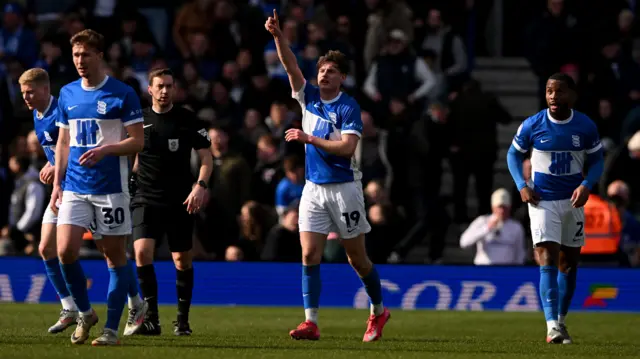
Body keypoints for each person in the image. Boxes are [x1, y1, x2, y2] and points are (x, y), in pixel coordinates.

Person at [265, 10, 390, 342]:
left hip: (345, 189)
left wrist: (309, 139)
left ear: (342, 78)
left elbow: (347, 149)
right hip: (313, 189)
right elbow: (291, 65)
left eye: (331, 71)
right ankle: (311, 322)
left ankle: (378, 310)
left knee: (357, 259)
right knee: (308, 254)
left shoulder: (348, 107)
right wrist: (278, 37)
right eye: (321, 70)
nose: (323, 75)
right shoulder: (307, 99)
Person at [50, 29, 148, 346]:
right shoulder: (67, 93)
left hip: (111, 188)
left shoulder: (122, 93)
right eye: (76, 55)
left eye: (86, 55)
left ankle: (111, 329)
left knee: (114, 258)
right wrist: (57, 185)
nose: (80, 61)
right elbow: (64, 141)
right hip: (76, 187)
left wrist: (106, 149)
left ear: (99, 56)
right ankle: (85, 313)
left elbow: (138, 140)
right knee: (64, 251)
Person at [506, 73, 604, 344]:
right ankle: (551, 326)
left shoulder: (584, 126)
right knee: (547, 257)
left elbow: (597, 161)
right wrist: (521, 184)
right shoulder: (533, 124)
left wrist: (586, 184)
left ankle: (561, 321)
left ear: (572, 95)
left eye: (559, 91)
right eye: (549, 91)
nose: (553, 96)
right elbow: (513, 154)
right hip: (542, 201)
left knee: (569, 265)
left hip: (573, 202)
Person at [128, 68, 212, 336]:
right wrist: (131, 176)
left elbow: (207, 158)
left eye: (169, 86)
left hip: (180, 199)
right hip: (145, 196)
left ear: (174, 89)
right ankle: (151, 319)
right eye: (159, 86)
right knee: (141, 253)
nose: (164, 91)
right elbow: (135, 154)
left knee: (182, 261)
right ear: (150, 90)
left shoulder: (187, 119)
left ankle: (182, 319)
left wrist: (199, 186)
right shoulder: (138, 119)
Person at [19, 68, 80, 333]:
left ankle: (134, 300)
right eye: (23, 93)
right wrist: (50, 162)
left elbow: (79, 146)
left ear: (45, 89)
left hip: (82, 189)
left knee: (110, 253)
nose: (27, 97)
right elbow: (56, 149)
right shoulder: (37, 114)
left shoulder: (63, 110)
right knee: (45, 248)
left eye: (30, 92)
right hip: (60, 192)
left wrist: (57, 166)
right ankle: (69, 308)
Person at [459, 188, 527, 265]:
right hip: (483, 270)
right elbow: (464, 242)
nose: (502, 211)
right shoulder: (482, 221)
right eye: (499, 207)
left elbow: (520, 253)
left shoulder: (516, 227)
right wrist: (486, 228)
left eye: (505, 207)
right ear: (493, 207)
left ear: (509, 207)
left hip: (507, 271)